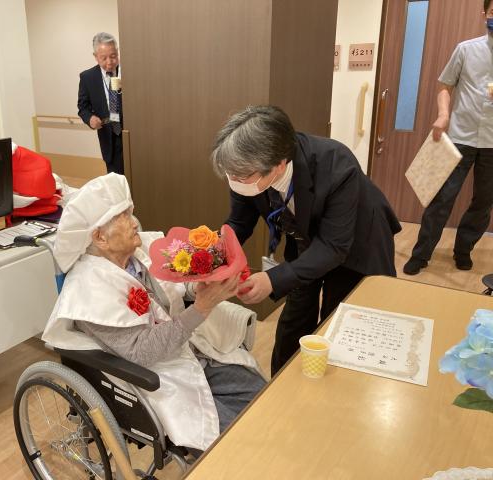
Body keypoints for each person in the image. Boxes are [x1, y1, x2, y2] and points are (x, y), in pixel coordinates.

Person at [42, 173, 265, 451]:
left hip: (189, 352)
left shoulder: (139, 253)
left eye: (130, 212)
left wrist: (200, 287)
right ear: (100, 237)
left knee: (263, 397)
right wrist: (202, 308)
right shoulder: (90, 290)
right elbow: (141, 352)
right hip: (156, 379)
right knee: (240, 439)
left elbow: (174, 289)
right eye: (123, 216)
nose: (135, 222)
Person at [211, 105, 401, 375]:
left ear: (279, 165)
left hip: (359, 241)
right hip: (304, 239)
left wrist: (272, 280)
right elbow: (239, 223)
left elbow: (334, 246)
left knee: (342, 322)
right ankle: (281, 386)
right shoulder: (246, 170)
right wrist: (214, 255)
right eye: (231, 175)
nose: (235, 181)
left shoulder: (336, 163)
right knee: (294, 321)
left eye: (242, 176)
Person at [403, 1, 493, 275]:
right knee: (442, 198)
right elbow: (445, 85)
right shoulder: (466, 49)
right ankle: (421, 254)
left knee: (484, 202)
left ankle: (463, 250)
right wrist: (443, 115)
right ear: (484, 14)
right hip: (461, 135)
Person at [77, 32, 124, 174]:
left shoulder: (128, 71)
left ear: (117, 51)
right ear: (95, 56)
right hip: (109, 136)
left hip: (132, 133)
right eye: (104, 58)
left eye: (113, 56)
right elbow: (83, 107)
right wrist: (90, 118)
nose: (109, 62)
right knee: (115, 180)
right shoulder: (87, 77)